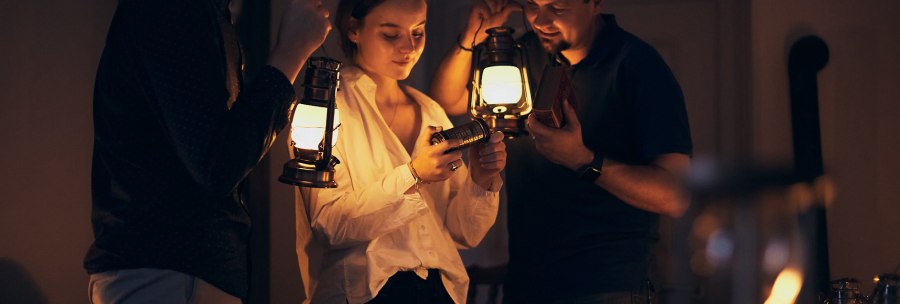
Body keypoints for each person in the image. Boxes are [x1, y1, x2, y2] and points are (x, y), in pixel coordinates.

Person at [430, 0, 693, 303]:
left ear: (594, 4)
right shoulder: (524, 52)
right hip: (527, 281)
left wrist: (582, 160)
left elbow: (676, 196)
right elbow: (446, 100)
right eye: (531, 5)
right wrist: (471, 37)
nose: (541, 20)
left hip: (610, 283)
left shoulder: (639, 66)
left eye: (556, 7)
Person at [85, 0, 331, 302]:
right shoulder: (173, 9)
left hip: (175, 273)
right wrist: (290, 53)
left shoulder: (205, 14)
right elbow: (218, 163)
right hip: (171, 272)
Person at [293, 0, 507, 303]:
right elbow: (330, 224)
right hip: (365, 291)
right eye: (391, 35)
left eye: (418, 33)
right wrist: (413, 175)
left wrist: (482, 180)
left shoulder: (430, 111)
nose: (408, 47)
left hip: (440, 288)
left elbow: (463, 233)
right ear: (354, 30)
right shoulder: (326, 111)